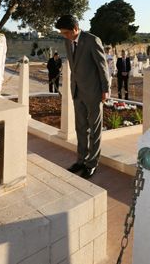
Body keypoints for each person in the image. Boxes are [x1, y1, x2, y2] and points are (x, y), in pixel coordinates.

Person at [55, 14, 109, 179]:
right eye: (62, 33)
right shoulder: (67, 41)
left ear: (75, 29)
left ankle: (92, 163)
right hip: (77, 91)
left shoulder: (92, 40)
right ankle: (81, 160)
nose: (64, 36)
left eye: (66, 32)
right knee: (80, 128)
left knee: (95, 129)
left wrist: (105, 89)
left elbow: (102, 66)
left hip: (93, 91)